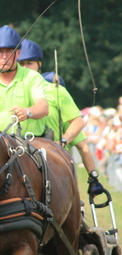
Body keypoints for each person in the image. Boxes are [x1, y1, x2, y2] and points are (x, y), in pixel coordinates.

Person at [17, 39, 104, 196]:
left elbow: (79, 127)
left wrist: (63, 141)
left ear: (39, 65)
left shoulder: (56, 91)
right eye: (21, 64)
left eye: (30, 63)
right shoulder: (10, 90)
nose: (25, 68)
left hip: (55, 162)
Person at [0, 25, 49, 138]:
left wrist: (28, 112)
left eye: (10, 51)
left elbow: (43, 107)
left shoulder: (32, 77)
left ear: (18, 53)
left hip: (30, 142)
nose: (4, 56)